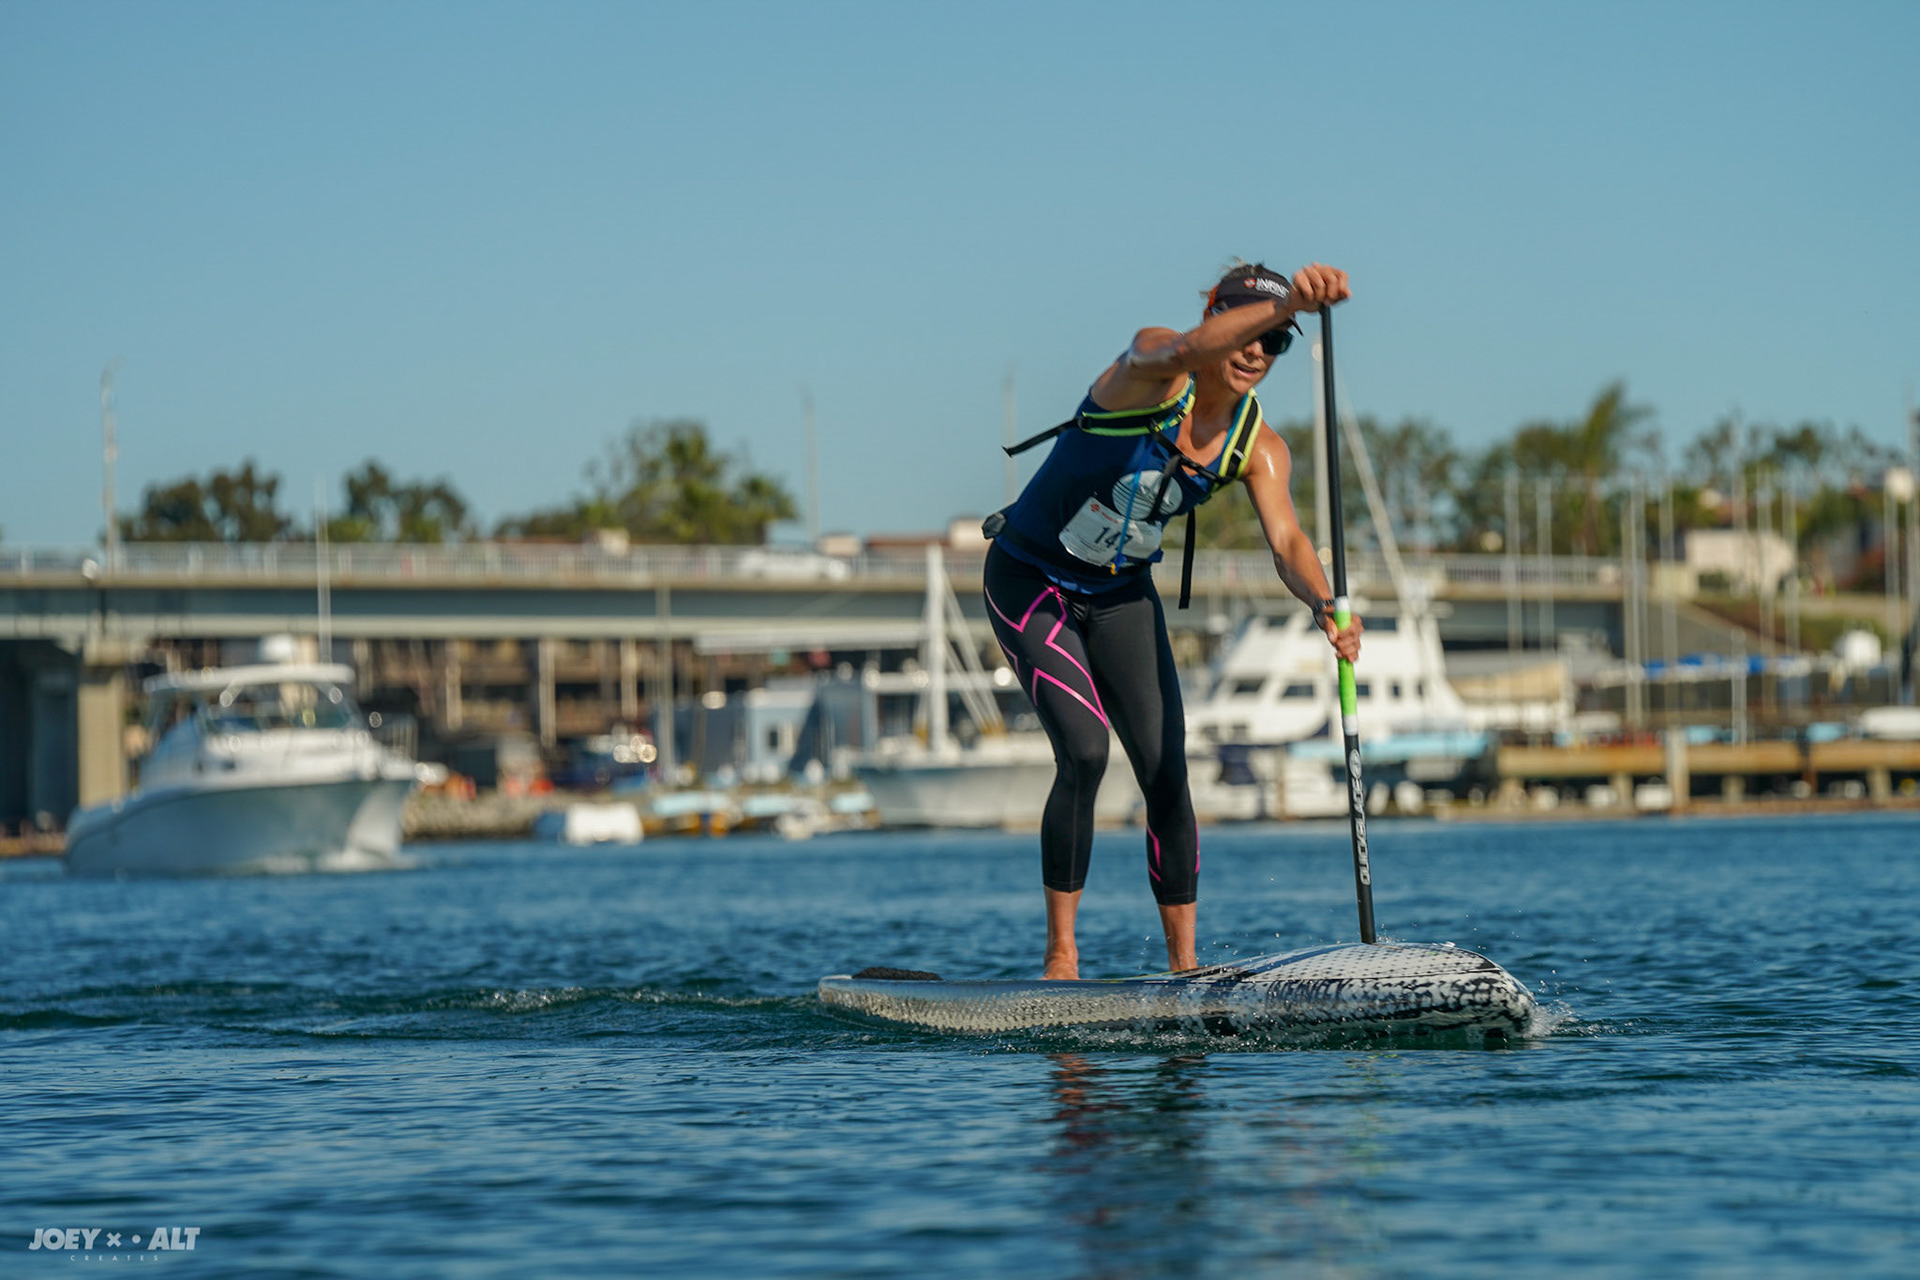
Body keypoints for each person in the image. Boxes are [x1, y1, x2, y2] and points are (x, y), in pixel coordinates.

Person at [984, 260, 1363, 979]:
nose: (1256, 353)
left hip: (1122, 592)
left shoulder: (1258, 444)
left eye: (1276, 342)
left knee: (1166, 772)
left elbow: (1288, 541)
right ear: (1216, 313)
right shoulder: (1151, 368)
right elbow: (1190, 350)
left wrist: (1324, 604)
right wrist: (1287, 308)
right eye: (1248, 329)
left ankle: (1184, 968)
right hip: (1031, 578)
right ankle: (1062, 954)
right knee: (1086, 753)